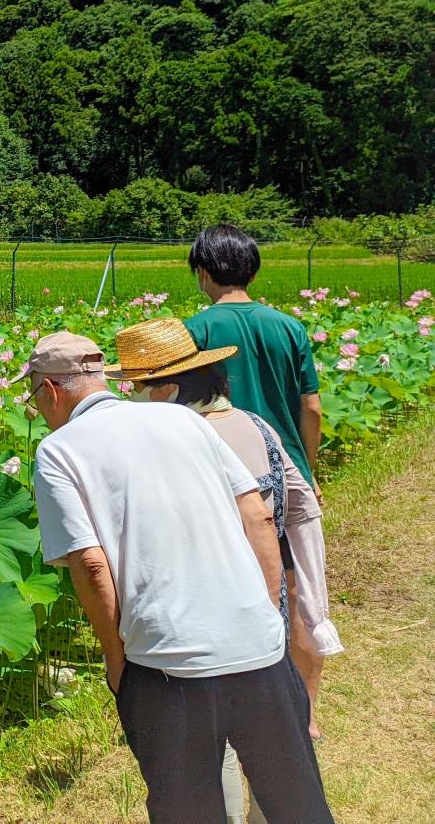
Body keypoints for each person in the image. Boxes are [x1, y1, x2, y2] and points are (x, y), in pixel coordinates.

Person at [22, 330, 333, 824]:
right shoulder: (183, 420)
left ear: (51, 390)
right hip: (259, 647)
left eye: (33, 398)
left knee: (189, 812)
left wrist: (116, 660)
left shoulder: (59, 451)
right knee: (298, 805)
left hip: (167, 664)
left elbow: (91, 564)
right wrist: (268, 615)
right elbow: (258, 517)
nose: (36, 410)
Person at [107, 317, 344, 824]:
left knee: (216, 753)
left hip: (204, 617)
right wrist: (304, 603)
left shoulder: (176, 442)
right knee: (279, 755)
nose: (132, 400)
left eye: (138, 388)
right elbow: (301, 505)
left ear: (167, 389)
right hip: (270, 608)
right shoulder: (258, 426)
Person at [185, 223, 334, 733]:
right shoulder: (288, 327)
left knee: (238, 591)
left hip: (221, 478)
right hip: (287, 471)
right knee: (301, 590)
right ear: (253, 269)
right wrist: (306, 467)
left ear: (202, 273)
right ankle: (306, 713)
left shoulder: (195, 330)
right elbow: (310, 406)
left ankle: (242, 711)